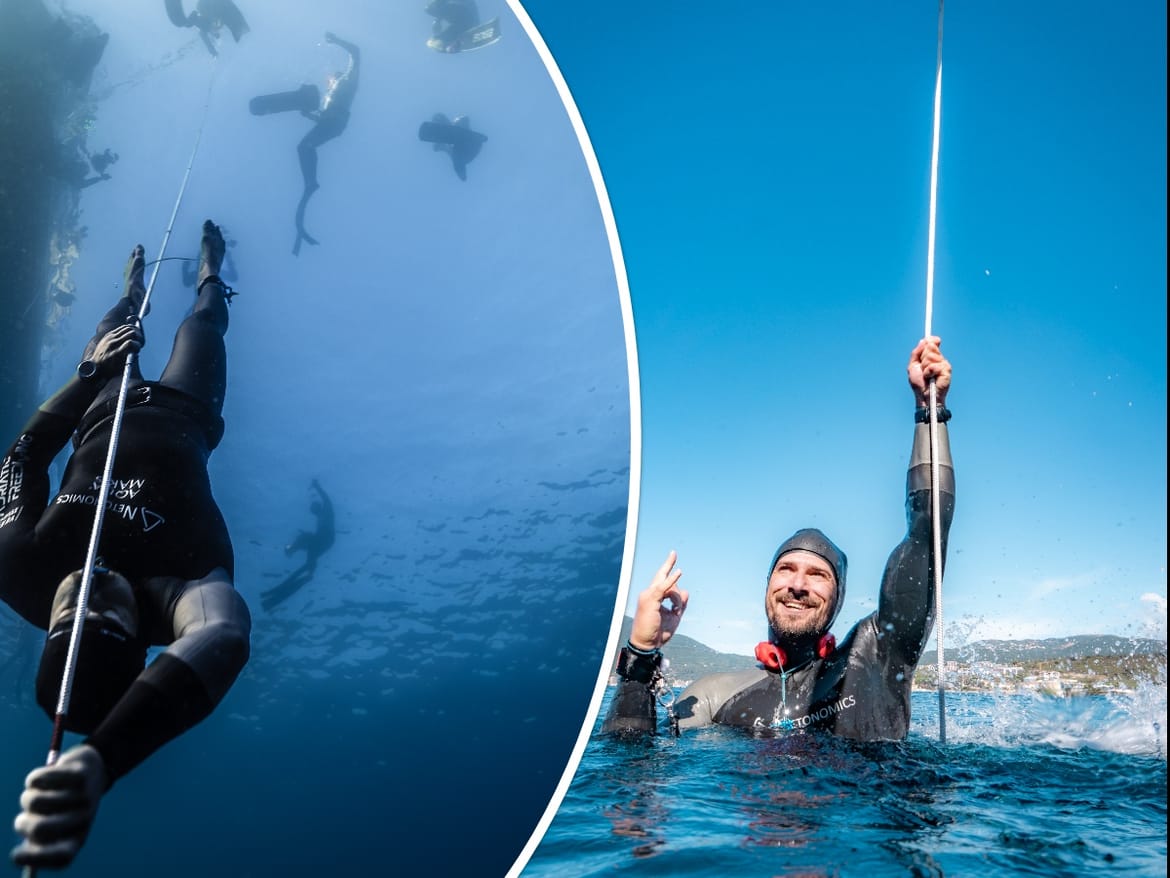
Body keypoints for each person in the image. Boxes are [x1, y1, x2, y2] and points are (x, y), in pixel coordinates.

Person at [0, 221, 251, 869]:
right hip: (186, 412)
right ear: (137, 634)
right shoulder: (179, 593)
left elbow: (23, 459)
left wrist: (91, 373)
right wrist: (100, 765)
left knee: (116, 322)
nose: (89, 585)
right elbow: (221, 639)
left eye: (66, 614)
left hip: (100, 406)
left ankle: (132, 283)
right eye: (107, 616)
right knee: (203, 327)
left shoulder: (20, 570)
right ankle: (209, 271)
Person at [603, 337, 954, 741]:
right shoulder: (713, 696)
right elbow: (628, 773)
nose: (798, 585)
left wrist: (930, 412)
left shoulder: (877, 654)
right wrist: (642, 653)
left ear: (838, 596)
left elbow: (928, 532)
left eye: (818, 574)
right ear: (767, 586)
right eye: (786, 569)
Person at [281, 32, 360, 256]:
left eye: (329, 80)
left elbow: (356, 52)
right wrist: (308, 115)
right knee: (303, 147)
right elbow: (322, 116)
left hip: (336, 121)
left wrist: (337, 40)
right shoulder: (329, 96)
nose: (328, 83)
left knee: (306, 146)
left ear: (335, 77)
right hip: (330, 122)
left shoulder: (347, 80)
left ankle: (311, 182)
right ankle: (310, 183)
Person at [260, 478, 335, 612]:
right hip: (322, 541)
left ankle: (292, 550)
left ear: (318, 507)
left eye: (314, 509)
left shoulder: (327, 509)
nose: (313, 512)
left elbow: (326, 498)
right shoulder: (320, 517)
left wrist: (317, 486)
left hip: (327, 538)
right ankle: (309, 572)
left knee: (305, 537)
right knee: (310, 548)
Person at [164, 0, 250, 56]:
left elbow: (203, 34)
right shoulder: (209, 19)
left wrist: (212, 50)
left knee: (183, 22)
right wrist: (212, 50)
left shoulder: (209, 20)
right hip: (209, 9)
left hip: (210, 10)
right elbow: (203, 34)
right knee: (183, 22)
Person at [418, 113, 488, 181]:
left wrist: (480, 138)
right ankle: (443, 147)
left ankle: (443, 146)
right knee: (454, 152)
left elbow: (465, 119)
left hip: (470, 149)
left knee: (455, 151)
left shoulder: (459, 123)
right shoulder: (455, 132)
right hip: (464, 149)